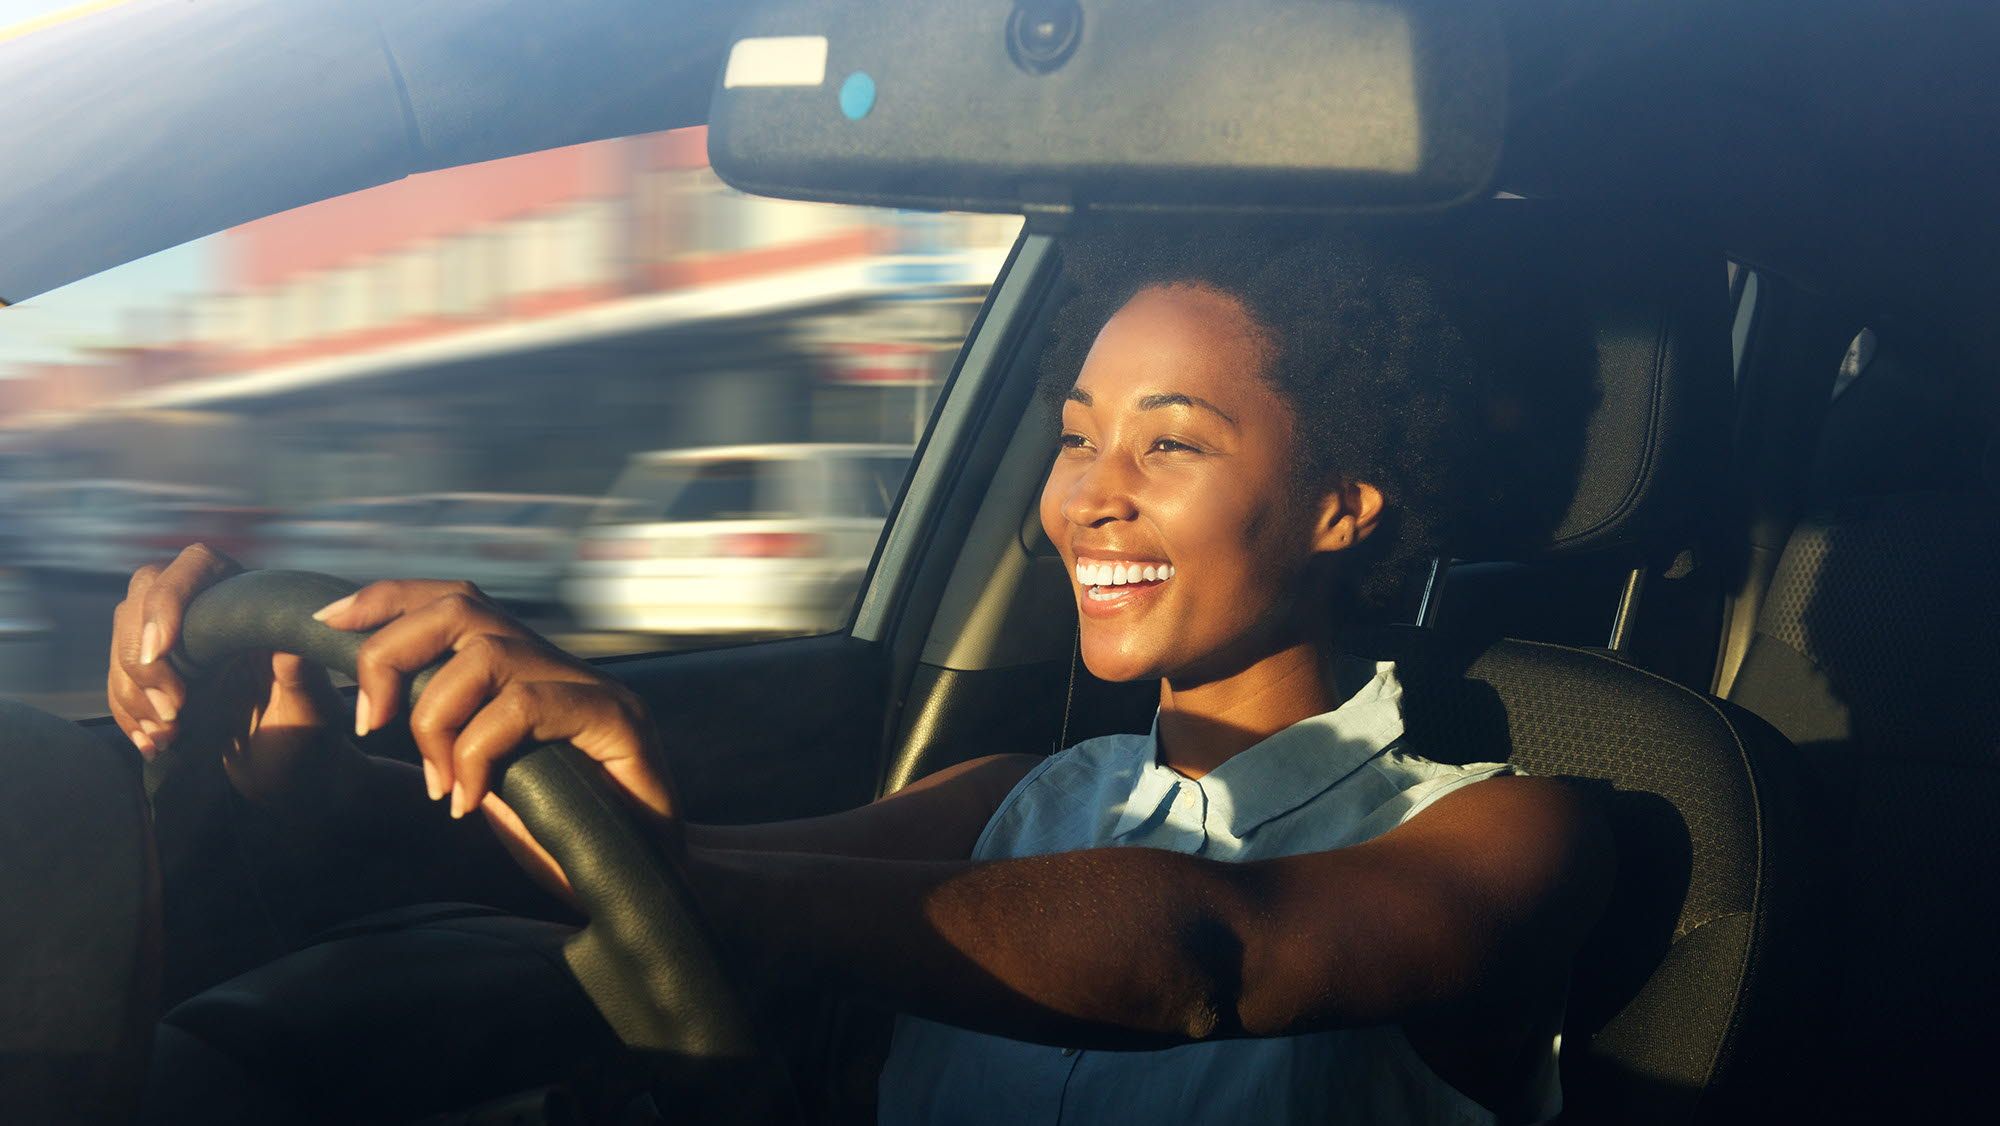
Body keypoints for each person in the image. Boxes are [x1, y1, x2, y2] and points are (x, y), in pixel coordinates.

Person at [109, 229, 1611, 1124]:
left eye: (1170, 442)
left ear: (1345, 506)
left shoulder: (1506, 831)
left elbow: (1217, 957)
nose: (1089, 493)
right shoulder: (1020, 798)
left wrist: (674, 864)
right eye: (1078, 433)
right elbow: (641, 879)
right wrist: (329, 778)